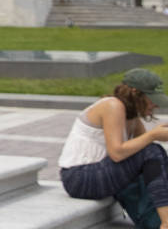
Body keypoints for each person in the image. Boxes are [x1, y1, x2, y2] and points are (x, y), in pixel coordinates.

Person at [59, 68, 168, 226]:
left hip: (98, 173)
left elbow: (145, 154)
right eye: (152, 99)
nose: (156, 105)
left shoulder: (131, 115)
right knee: (153, 151)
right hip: (79, 177)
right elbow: (117, 153)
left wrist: (159, 134)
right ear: (135, 93)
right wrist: (154, 134)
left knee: (157, 155)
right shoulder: (112, 105)